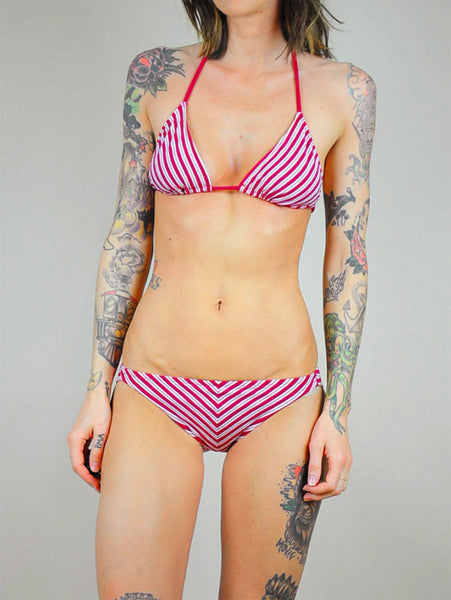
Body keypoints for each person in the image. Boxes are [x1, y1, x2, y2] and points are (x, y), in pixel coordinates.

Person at [67, 0, 376, 598]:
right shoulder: (155, 75)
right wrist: (97, 390)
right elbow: (128, 234)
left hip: (279, 395)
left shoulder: (345, 90)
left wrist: (337, 414)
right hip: (156, 385)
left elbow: (349, 258)